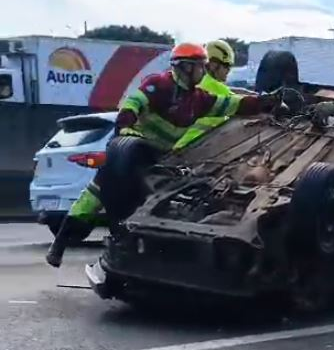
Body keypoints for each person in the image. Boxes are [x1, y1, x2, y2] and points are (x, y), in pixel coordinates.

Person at [46, 42, 278, 268]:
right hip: (134, 152)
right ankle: (59, 245)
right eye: (199, 66)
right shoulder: (159, 84)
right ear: (185, 67)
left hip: (162, 159)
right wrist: (125, 127)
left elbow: (232, 104)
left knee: (148, 204)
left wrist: (266, 102)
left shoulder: (199, 99)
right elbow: (132, 104)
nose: (203, 71)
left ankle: (133, 251)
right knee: (93, 197)